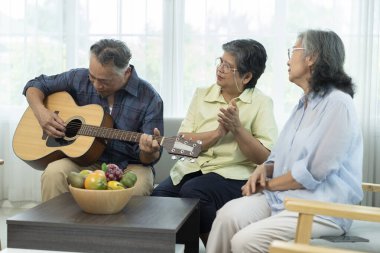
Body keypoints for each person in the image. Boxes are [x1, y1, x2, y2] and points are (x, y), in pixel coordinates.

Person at [206, 29, 363, 253]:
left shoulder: (338, 104)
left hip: (319, 209)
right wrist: (265, 168)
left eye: (293, 51)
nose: (288, 60)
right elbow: (279, 157)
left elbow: (313, 172)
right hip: (284, 199)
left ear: (312, 57)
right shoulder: (303, 104)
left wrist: (268, 184)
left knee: (245, 241)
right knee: (226, 217)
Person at [151, 39, 278, 245]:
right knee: (158, 200)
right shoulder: (202, 95)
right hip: (191, 169)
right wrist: (218, 133)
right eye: (221, 61)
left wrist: (237, 129)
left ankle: (217, 248)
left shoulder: (261, 103)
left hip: (233, 174)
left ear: (246, 77)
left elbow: (265, 157)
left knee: (193, 191)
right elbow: (180, 145)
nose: (220, 68)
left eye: (228, 66)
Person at [23, 39, 163, 202]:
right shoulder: (78, 78)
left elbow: (149, 157)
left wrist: (148, 152)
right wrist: (42, 114)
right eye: (92, 77)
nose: (96, 85)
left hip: (130, 165)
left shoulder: (150, 98)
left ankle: (116, 229)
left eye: (104, 81)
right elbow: (35, 85)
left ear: (126, 73)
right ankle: (58, 228)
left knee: (138, 187)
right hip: (85, 160)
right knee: (53, 173)